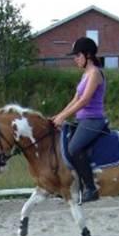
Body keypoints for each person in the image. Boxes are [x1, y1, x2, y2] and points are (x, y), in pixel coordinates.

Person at [51, 36, 107, 203]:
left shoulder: (95, 73)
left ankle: (90, 188)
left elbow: (85, 100)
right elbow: (75, 100)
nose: (75, 59)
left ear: (87, 55)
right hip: (82, 120)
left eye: (77, 55)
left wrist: (63, 117)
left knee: (74, 148)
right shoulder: (85, 74)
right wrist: (58, 115)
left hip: (93, 120)